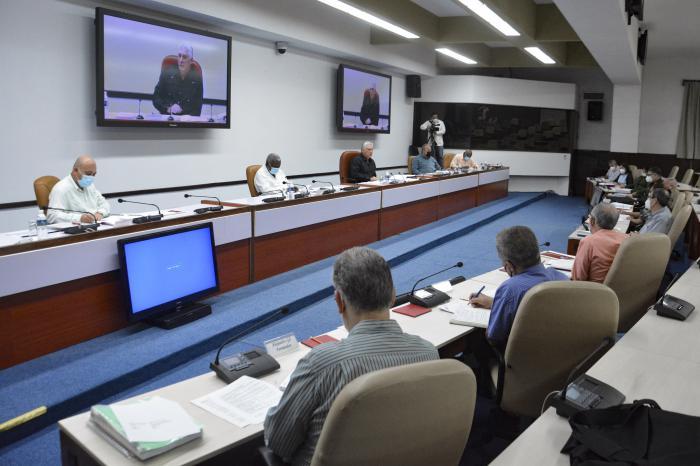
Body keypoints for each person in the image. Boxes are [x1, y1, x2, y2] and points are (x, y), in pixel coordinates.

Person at [264, 247, 438, 465]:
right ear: (393, 296)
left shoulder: (322, 364)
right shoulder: (428, 353)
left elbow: (278, 442)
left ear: (339, 301)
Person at [469, 226, 568, 351]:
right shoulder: (561, 278)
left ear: (509, 266)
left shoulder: (510, 289)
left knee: (474, 341)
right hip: (558, 355)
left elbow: (494, 338)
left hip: (522, 361)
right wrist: (495, 303)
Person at [572, 204, 628, 283]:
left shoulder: (588, 242)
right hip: (618, 291)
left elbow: (578, 278)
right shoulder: (627, 240)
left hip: (593, 291)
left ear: (592, 221)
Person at [47, 155, 110, 224]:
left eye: (94, 174)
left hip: (95, 226)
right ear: (75, 171)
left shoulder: (90, 185)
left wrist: (100, 213)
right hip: (75, 230)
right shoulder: (61, 188)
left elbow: (104, 203)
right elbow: (52, 216)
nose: (91, 177)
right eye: (88, 173)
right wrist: (79, 218)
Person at [153, 44, 203, 117]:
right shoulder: (167, 72)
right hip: (166, 118)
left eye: (185, 57)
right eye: (179, 56)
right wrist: (168, 108)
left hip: (186, 121)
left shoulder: (196, 78)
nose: (181, 60)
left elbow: (197, 108)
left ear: (191, 60)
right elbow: (156, 98)